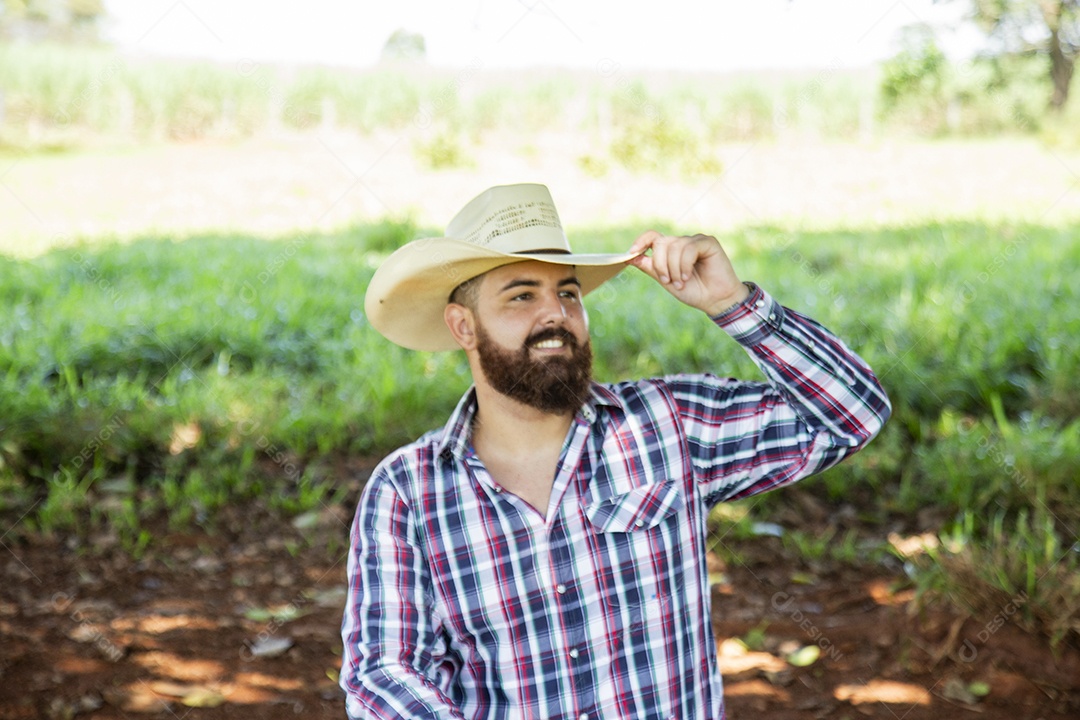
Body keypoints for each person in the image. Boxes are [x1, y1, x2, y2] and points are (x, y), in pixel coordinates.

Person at [341, 183, 891, 719]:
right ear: (464, 325)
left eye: (568, 293)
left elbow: (853, 414)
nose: (554, 314)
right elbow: (382, 674)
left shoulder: (667, 423)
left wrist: (732, 304)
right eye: (521, 295)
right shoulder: (409, 491)